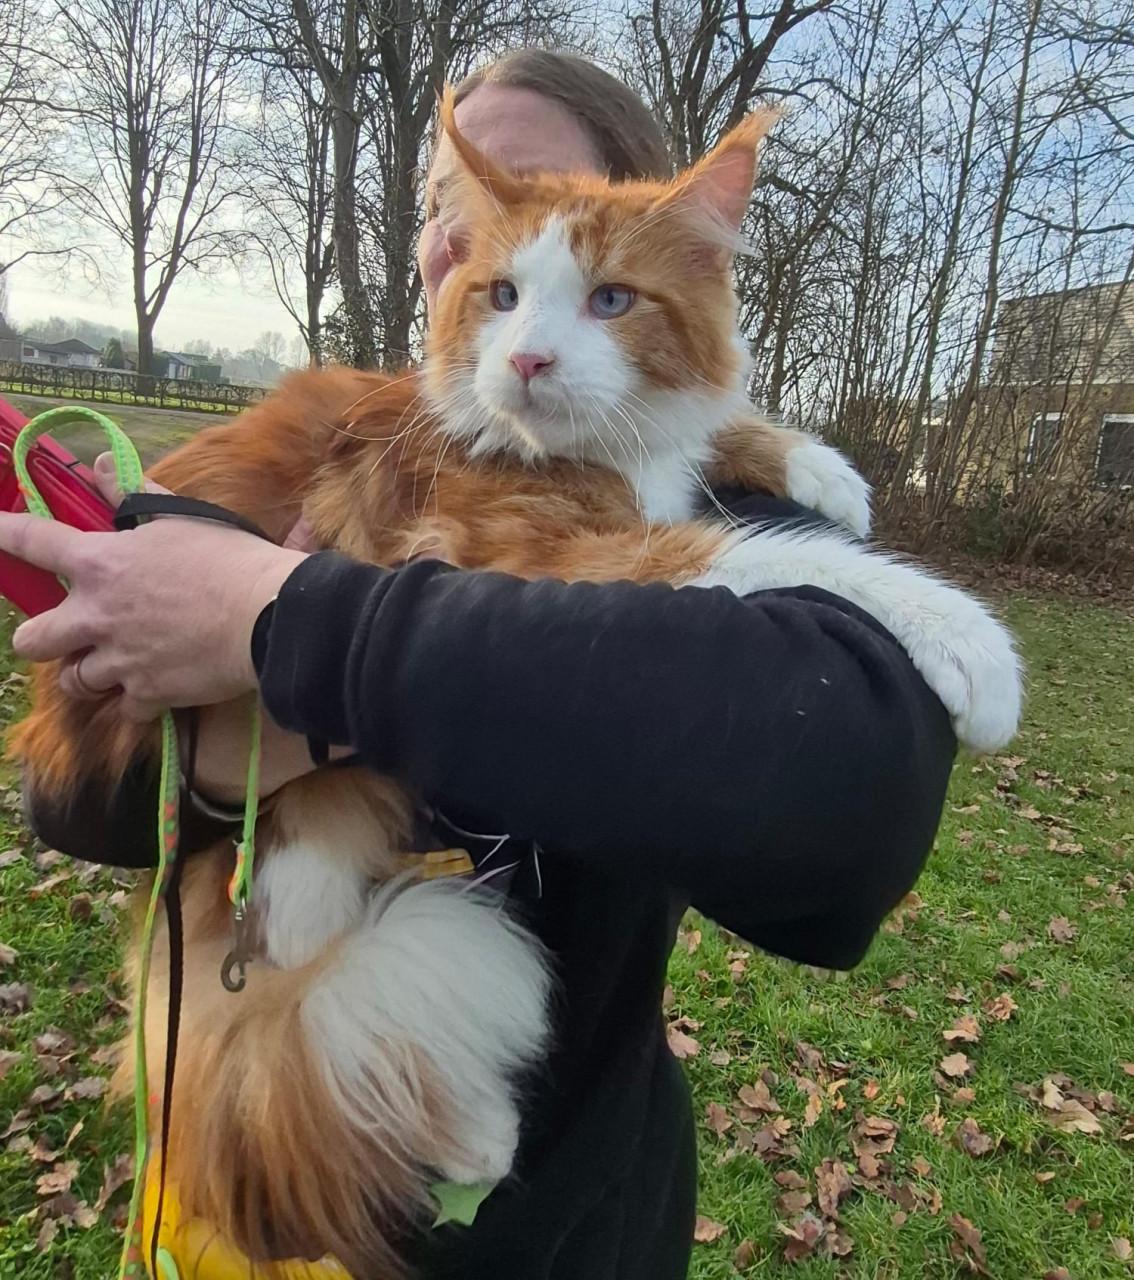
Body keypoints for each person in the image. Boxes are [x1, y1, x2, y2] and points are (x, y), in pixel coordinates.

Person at [0, 52, 955, 1280]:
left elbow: (860, 791)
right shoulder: (383, 428)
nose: (467, 241)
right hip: (266, 1185)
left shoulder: (720, 487)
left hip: (576, 1211)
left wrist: (288, 634)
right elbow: (70, 798)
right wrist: (241, 755)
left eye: (537, 194)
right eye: (451, 211)